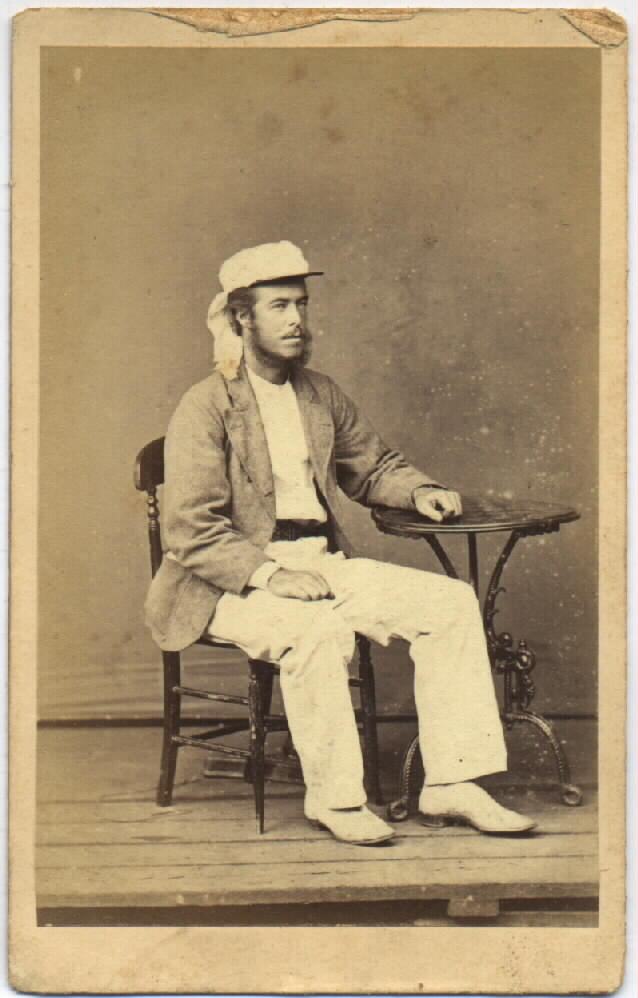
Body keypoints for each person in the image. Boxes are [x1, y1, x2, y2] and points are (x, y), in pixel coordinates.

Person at [145, 240, 536, 845]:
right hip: (226, 583)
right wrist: (270, 576)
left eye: (301, 304)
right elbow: (190, 528)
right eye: (278, 306)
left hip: (319, 563)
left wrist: (419, 491)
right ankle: (336, 801)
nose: (296, 320)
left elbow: (373, 467)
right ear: (241, 318)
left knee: (451, 603)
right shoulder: (206, 405)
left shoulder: (317, 394)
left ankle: (452, 783)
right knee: (317, 631)